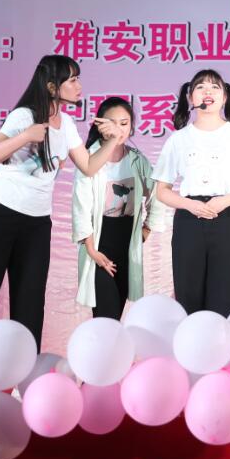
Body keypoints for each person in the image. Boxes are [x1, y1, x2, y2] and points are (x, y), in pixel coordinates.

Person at [0, 55, 120, 350]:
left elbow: (88, 166)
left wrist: (112, 140)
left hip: (37, 220)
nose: (79, 85)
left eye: (78, 78)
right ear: (51, 86)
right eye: (72, 79)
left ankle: (24, 363)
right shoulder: (24, 116)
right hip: (0, 211)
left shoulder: (67, 123)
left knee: (30, 296)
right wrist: (25, 136)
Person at [153, 69, 230, 316]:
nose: (208, 91)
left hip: (228, 218)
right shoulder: (178, 139)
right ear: (190, 97)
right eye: (200, 87)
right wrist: (189, 205)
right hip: (189, 220)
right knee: (189, 293)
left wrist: (225, 201)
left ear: (224, 97)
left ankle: (227, 341)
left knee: (229, 294)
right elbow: (162, 190)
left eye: (215, 87)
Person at [72, 97, 165, 320]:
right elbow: (81, 208)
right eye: (112, 123)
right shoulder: (89, 159)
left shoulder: (137, 160)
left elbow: (158, 193)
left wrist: (147, 228)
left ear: (131, 126)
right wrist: (92, 250)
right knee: (105, 314)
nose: (118, 129)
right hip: (98, 245)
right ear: (99, 125)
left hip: (126, 244)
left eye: (124, 123)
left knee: (115, 317)